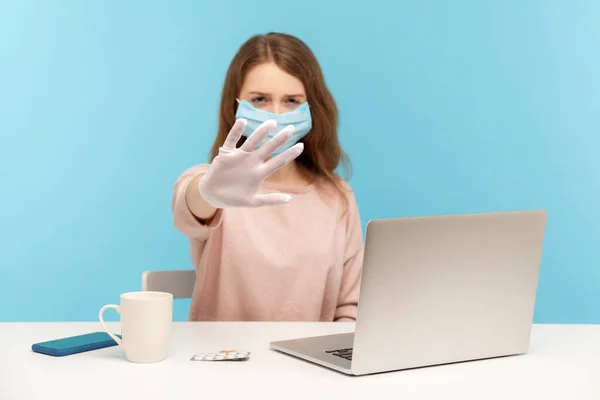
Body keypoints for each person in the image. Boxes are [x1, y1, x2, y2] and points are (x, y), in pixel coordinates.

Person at [172, 32, 364, 322]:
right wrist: (207, 193)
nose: (275, 114)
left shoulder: (338, 197)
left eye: (291, 101)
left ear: (312, 107)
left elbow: (351, 309)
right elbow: (188, 208)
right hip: (221, 362)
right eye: (259, 99)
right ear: (235, 104)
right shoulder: (214, 182)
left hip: (308, 366)